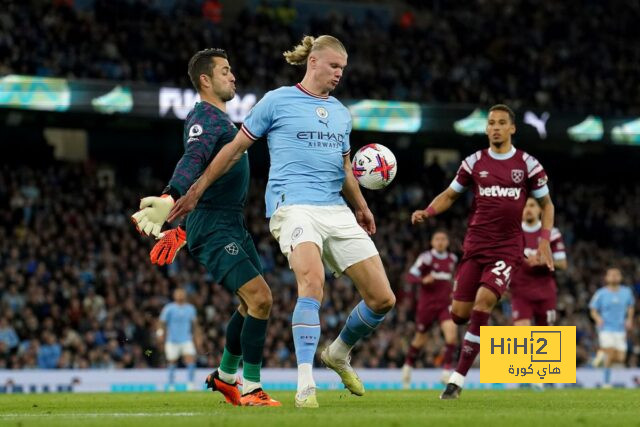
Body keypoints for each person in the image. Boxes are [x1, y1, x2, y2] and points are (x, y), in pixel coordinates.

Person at [166, 35, 396, 408]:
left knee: (383, 299)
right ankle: (305, 385)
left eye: (343, 68)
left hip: (335, 208)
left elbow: (345, 167)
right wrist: (195, 189)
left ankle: (337, 353)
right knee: (311, 283)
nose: (339, 73)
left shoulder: (340, 112)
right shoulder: (276, 101)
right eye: (334, 66)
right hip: (293, 206)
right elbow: (234, 148)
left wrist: (361, 205)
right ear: (314, 62)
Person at [131, 48, 279, 406]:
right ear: (205, 80)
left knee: (249, 306)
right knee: (261, 298)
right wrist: (171, 195)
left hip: (231, 222)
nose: (233, 76)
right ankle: (251, 386)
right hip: (214, 224)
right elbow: (193, 157)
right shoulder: (205, 118)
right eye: (225, 71)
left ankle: (226, 378)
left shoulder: (222, 121)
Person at [411, 104, 555, 399]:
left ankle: (457, 380)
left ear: (512, 128)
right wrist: (428, 211)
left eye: (502, 123)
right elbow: (451, 195)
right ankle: (463, 364)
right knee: (459, 315)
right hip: (475, 248)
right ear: (487, 128)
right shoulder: (473, 162)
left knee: (484, 302)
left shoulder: (527, 164)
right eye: (491, 123)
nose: (496, 128)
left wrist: (543, 242)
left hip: (507, 250)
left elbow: (547, 205)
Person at [401, 230, 458, 389]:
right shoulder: (426, 258)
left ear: (447, 242)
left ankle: (446, 372)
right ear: (432, 242)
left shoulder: (452, 259)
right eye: (437, 239)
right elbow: (410, 276)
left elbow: (453, 278)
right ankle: (407, 366)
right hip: (427, 306)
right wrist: (422, 279)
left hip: (445, 305)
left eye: (443, 239)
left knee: (451, 336)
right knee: (420, 340)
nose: (440, 242)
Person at [510, 197, 567, 326]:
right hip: (520, 293)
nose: (528, 209)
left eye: (532, 205)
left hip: (545, 293)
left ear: (540, 210)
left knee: (545, 340)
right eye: (524, 206)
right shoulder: (512, 233)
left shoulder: (552, 233)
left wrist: (544, 261)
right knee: (521, 337)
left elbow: (562, 264)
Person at [589, 267, 635, 388]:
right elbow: (593, 309)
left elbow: (631, 306)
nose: (614, 276)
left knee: (620, 358)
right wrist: (598, 319)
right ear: (606, 278)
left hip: (620, 329)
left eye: (617, 274)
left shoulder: (626, 292)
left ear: (621, 277)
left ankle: (600, 356)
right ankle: (606, 383)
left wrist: (629, 319)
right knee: (609, 352)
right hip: (606, 328)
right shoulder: (601, 293)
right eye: (611, 275)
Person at [158, 288, 199, 388]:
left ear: (185, 295)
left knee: (191, 359)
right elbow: (162, 322)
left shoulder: (190, 308)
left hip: (186, 339)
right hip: (172, 340)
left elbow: (195, 324)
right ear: (174, 296)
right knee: (172, 361)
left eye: (182, 293)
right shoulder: (169, 308)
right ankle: (171, 384)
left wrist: (197, 336)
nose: (180, 295)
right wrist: (160, 333)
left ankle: (190, 383)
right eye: (178, 294)